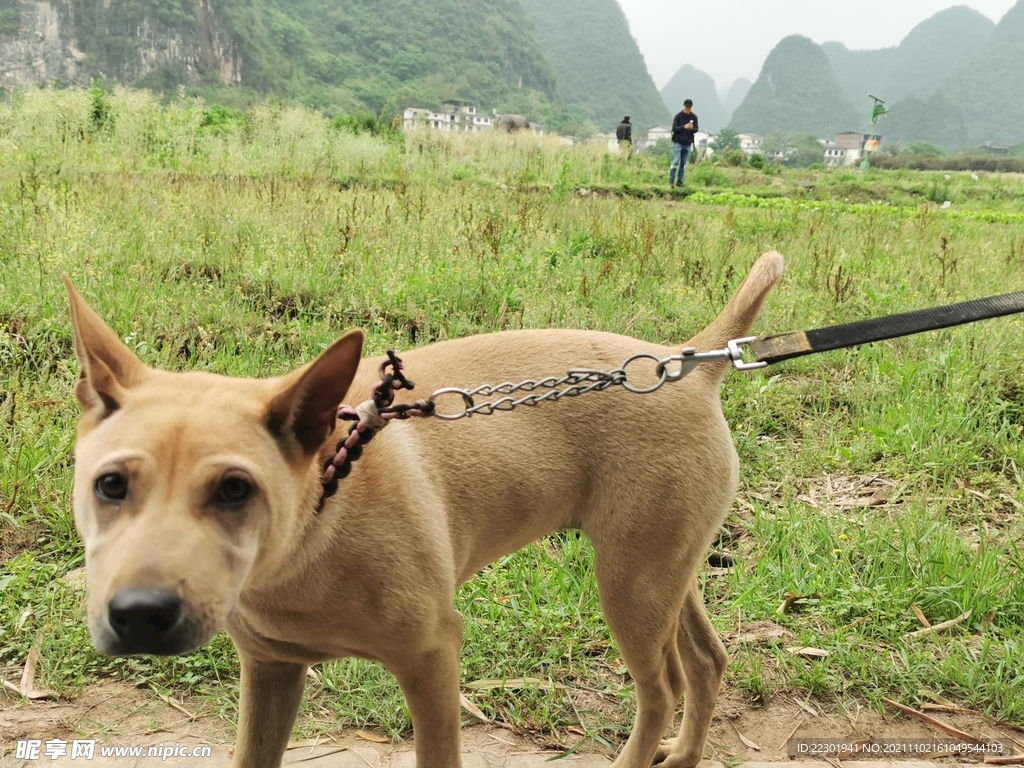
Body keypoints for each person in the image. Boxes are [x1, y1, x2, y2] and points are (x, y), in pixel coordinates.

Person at [669, 100, 698, 187]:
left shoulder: (694, 117)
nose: (687, 109)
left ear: (691, 107)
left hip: (688, 143)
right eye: (686, 107)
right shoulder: (678, 116)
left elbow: (696, 129)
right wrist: (684, 127)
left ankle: (679, 182)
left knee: (683, 163)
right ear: (683, 106)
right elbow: (674, 128)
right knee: (675, 161)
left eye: (689, 107)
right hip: (678, 142)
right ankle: (671, 180)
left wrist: (692, 128)